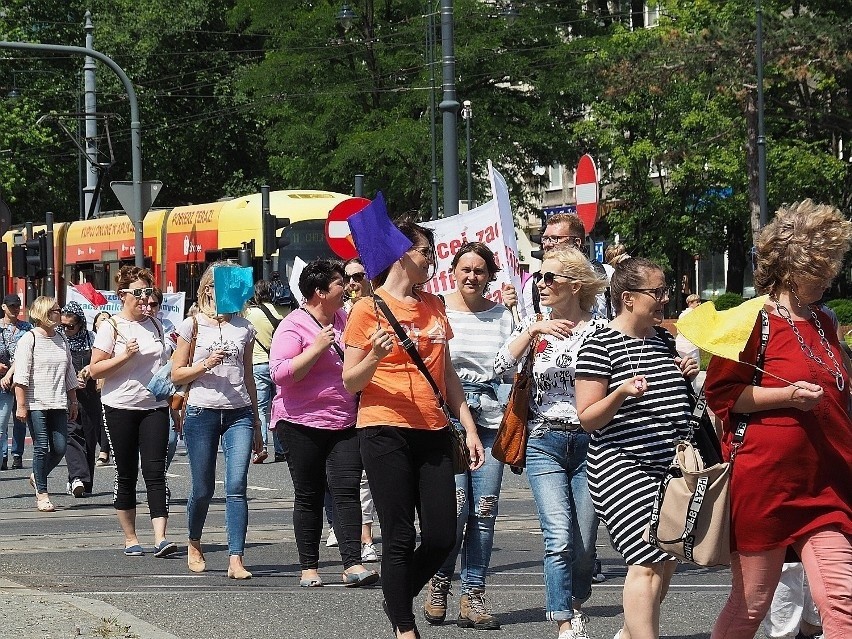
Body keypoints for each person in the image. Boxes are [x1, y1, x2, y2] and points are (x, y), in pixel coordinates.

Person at [704, 199, 852, 639]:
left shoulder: (826, 321)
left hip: (826, 482)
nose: (829, 275)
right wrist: (787, 396)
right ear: (790, 265)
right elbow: (722, 396)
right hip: (766, 483)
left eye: (833, 263)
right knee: (752, 603)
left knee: (843, 601)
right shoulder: (752, 321)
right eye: (819, 265)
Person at [342, 220, 484, 639]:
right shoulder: (368, 308)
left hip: (434, 428)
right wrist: (374, 357)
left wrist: (469, 427)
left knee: (442, 536)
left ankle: (396, 595)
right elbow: (351, 381)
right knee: (400, 534)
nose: (432, 261)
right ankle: (405, 627)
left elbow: (448, 374)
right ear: (401, 253)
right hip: (384, 428)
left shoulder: (435, 306)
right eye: (426, 252)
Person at [574, 256, 699, 639]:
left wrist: (685, 377)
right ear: (628, 298)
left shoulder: (662, 339)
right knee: (646, 560)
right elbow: (588, 417)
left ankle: (628, 635)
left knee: (667, 559)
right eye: (657, 292)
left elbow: (675, 401)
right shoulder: (600, 344)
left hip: (670, 466)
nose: (664, 298)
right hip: (621, 465)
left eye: (666, 290)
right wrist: (621, 392)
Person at [494, 245, 608, 639]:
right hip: (544, 439)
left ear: (575, 285)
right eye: (540, 277)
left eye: (550, 277)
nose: (541, 284)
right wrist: (531, 330)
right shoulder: (535, 325)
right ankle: (562, 617)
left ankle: (576, 600)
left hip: (591, 441)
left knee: (585, 543)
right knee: (558, 536)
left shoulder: (601, 331)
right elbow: (499, 367)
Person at [424, 242, 515, 631]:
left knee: (485, 510)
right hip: (450, 420)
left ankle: (473, 594)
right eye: (465, 269)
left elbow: (512, 369)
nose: (472, 277)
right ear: (453, 272)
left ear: (490, 275)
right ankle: (440, 582)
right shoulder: (439, 309)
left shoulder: (503, 316)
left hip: (493, 420)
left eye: (480, 270)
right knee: (456, 508)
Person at [270, 258, 376, 587]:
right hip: (300, 423)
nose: (346, 287)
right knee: (310, 494)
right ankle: (309, 568)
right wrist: (315, 349)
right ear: (319, 292)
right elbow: (280, 374)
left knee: (346, 493)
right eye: (339, 282)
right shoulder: (293, 325)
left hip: (344, 422)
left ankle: (353, 564)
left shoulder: (347, 319)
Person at [171, 262, 262, 579]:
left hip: (239, 413)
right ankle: (194, 541)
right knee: (204, 488)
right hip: (201, 411)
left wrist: (257, 420)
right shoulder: (191, 326)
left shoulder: (245, 327)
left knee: (237, 486)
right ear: (210, 288)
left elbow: (248, 375)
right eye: (232, 286)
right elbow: (176, 374)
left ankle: (236, 558)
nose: (239, 294)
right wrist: (206, 363)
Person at [89, 267, 176, 557]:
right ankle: (130, 538)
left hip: (154, 406)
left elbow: (165, 363)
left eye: (148, 292)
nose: (144, 299)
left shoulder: (157, 324)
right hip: (120, 406)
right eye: (137, 293)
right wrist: (124, 356)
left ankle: (161, 537)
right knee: (126, 474)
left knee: (155, 472)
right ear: (122, 295)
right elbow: (95, 368)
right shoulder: (111, 327)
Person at [13, 297, 78, 513]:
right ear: (44, 313)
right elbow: (21, 376)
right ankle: (42, 493)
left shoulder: (61, 339)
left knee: (59, 447)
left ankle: (36, 474)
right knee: (41, 447)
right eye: (56, 310)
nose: (60, 313)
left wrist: (74, 400)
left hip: (58, 401)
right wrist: (21, 405)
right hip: (36, 402)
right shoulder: (29, 339)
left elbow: (70, 373)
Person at [342, 257, 380, 563]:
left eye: (358, 276)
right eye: (348, 279)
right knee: (356, 475)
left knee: (369, 475)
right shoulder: (343, 314)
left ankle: (364, 531)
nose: (353, 283)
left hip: (380, 399)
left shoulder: (383, 308)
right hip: (347, 400)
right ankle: (363, 534)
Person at [521, 213, 609, 320]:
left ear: (576, 243)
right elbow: (528, 326)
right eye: (545, 239)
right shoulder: (533, 285)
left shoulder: (606, 274)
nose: (547, 244)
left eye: (554, 238)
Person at [243, 280, 289, 464]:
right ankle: (281, 449)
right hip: (279, 364)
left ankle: (260, 448)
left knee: (260, 407)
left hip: (258, 363)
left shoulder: (250, 313)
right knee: (278, 405)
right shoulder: (284, 311)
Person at [60, 301, 102, 497]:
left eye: (71, 326)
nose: (66, 329)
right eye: (63, 325)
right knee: (72, 434)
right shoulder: (59, 340)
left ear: (80, 324)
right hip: (68, 394)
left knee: (90, 437)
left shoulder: (92, 339)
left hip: (90, 395)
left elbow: (100, 363)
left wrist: (90, 375)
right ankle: (77, 477)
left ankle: (86, 482)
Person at [0, 293, 32, 471]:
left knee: (20, 417)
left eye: (17, 306)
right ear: (4, 307)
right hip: (2, 380)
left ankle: (17, 454)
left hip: (20, 377)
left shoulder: (26, 327)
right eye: (11, 306)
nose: (15, 309)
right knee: (2, 421)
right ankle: (3, 455)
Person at [92, 310, 113, 467]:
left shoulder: (114, 338)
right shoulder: (90, 338)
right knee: (96, 418)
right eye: (101, 319)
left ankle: (104, 451)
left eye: (108, 319)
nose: (105, 321)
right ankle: (104, 446)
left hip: (107, 382)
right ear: (95, 324)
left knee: (104, 417)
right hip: (91, 384)